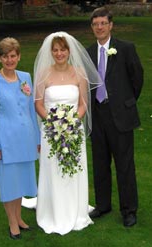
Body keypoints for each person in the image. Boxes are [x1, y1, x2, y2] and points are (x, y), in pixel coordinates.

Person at [34, 31, 102, 235]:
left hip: (74, 130)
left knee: (74, 168)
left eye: (62, 49)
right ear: (51, 52)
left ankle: (76, 209)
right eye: (55, 50)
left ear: (68, 50)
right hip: (51, 131)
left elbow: (83, 104)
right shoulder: (43, 74)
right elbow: (38, 104)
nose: (59, 53)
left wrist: (72, 122)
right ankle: (53, 211)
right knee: (53, 169)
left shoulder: (79, 72)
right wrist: (53, 122)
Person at [87, 7, 144, 227]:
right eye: (95, 24)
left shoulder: (126, 48)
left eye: (103, 23)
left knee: (124, 165)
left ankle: (129, 209)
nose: (99, 27)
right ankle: (103, 205)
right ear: (92, 27)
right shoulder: (88, 52)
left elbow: (136, 79)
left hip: (120, 114)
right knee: (100, 163)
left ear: (110, 25)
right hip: (97, 115)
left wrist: (126, 103)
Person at [0, 37, 40, 239]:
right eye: (5, 56)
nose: (9, 60)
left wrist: (38, 139)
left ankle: (19, 217)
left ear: (19, 56)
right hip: (5, 141)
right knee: (9, 183)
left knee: (22, 181)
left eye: (13, 56)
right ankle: (12, 222)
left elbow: (31, 110)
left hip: (26, 138)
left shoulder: (25, 77)